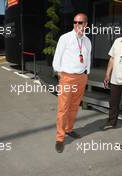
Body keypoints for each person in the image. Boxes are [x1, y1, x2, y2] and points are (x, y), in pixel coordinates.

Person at [52, 13, 91, 153]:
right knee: (63, 108)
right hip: (67, 77)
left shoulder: (87, 41)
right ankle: (60, 138)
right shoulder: (65, 38)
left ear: (85, 24)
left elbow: (88, 58)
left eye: (80, 22)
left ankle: (69, 129)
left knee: (75, 105)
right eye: (75, 22)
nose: (77, 25)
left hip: (81, 77)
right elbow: (57, 57)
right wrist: (59, 72)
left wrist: (87, 72)